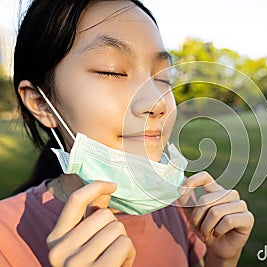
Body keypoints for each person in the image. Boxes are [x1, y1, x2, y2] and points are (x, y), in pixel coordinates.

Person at [0, 0, 254, 266]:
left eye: (163, 78)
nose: (157, 103)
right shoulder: (6, 240)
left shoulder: (180, 203)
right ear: (41, 104)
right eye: (112, 71)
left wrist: (222, 258)